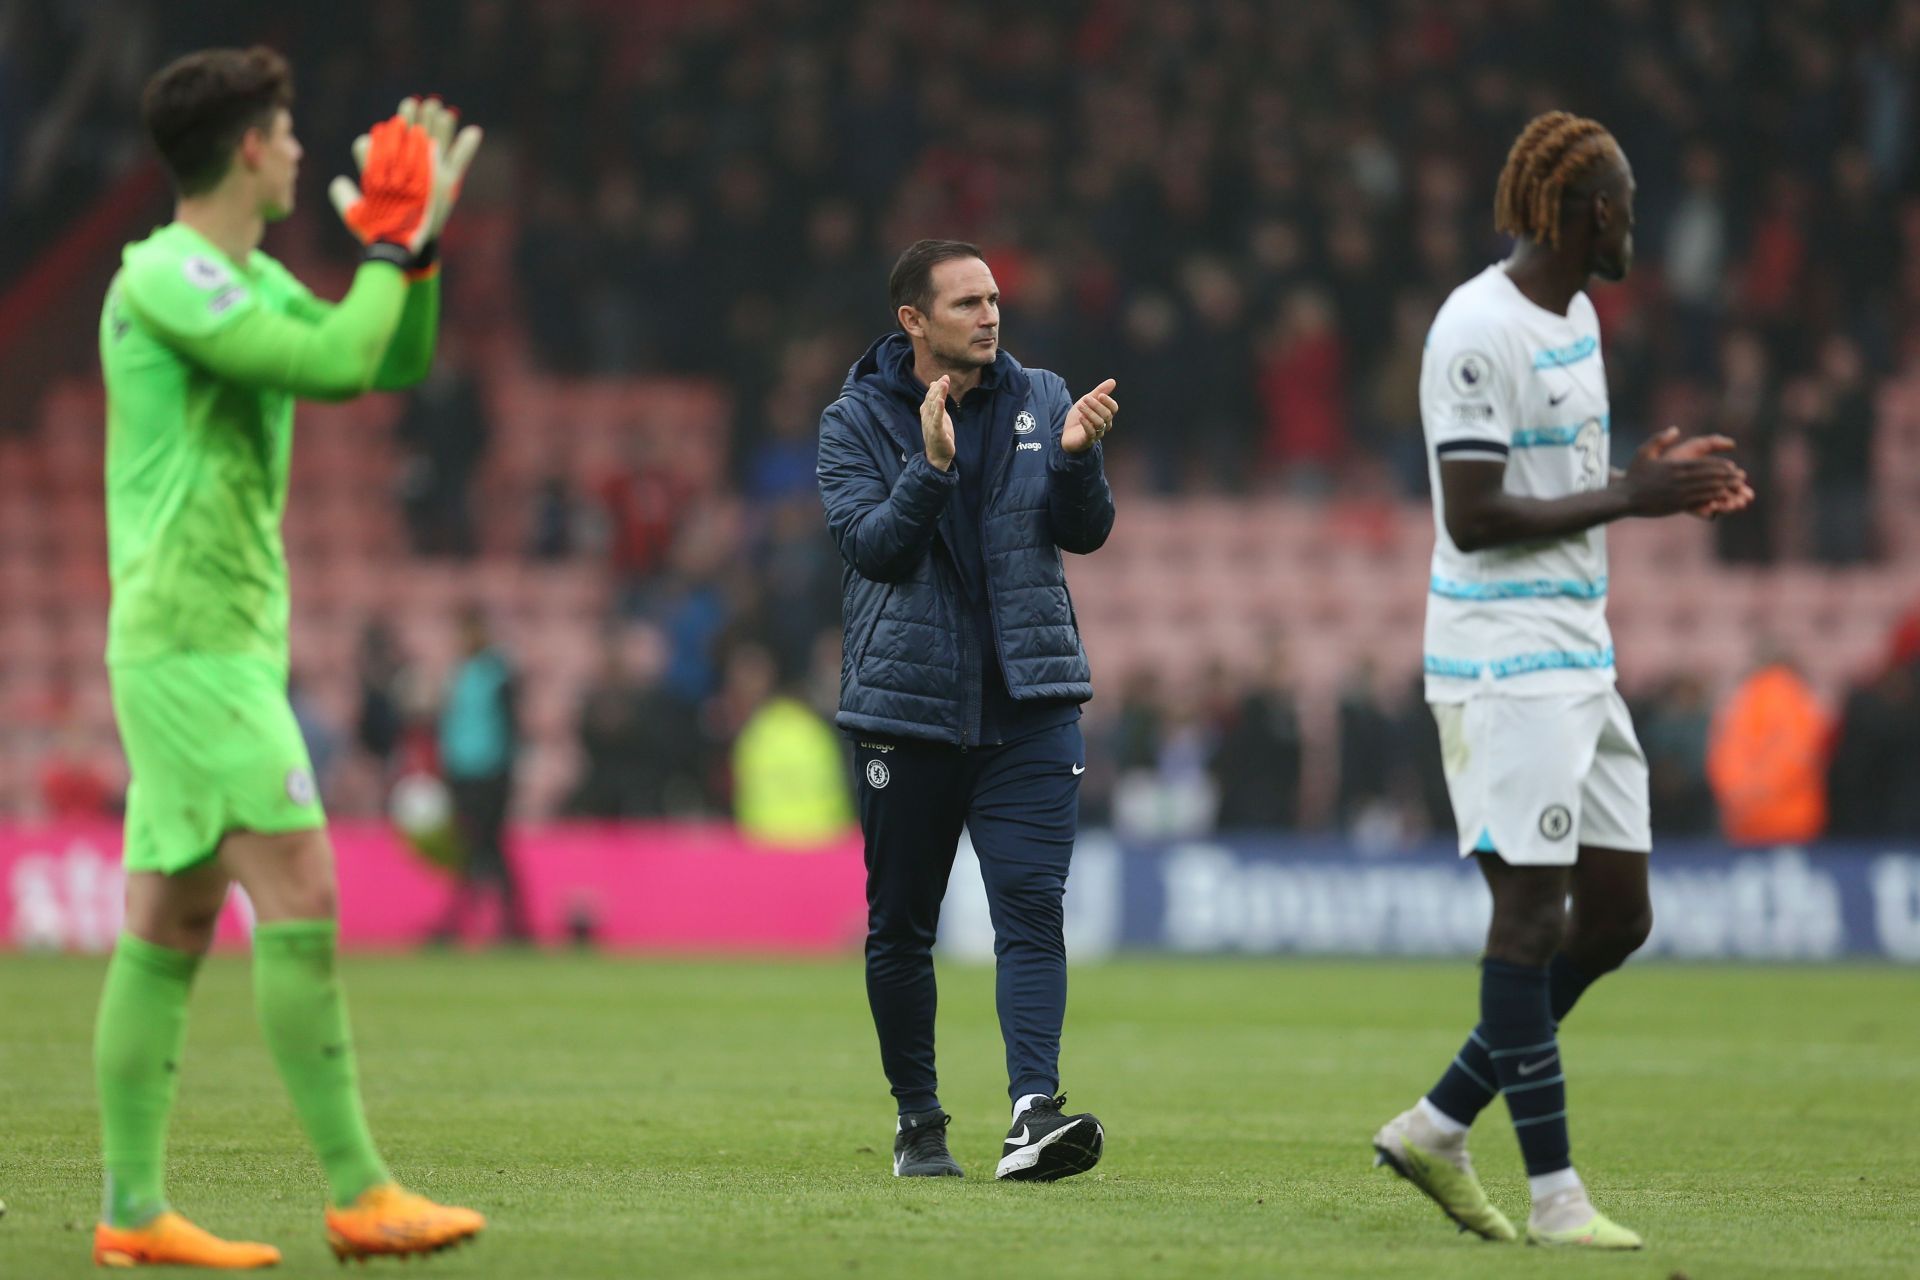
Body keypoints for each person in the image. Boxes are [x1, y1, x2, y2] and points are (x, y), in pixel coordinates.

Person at [93, 48, 485, 1268]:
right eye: (289, 130)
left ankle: (132, 1206)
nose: (308, 152)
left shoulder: (237, 273)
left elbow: (393, 359)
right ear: (250, 149)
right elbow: (330, 363)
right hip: (192, 643)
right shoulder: (166, 277)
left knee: (171, 917)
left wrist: (412, 256)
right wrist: (387, 246)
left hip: (206, 645)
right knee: (304, 892)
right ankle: (360, 1187)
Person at [1370, 112, 1752, 1251]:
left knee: (1620, 914)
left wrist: (1642, 480)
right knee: (1530, 915)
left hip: (1582, 650)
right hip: (1499, 658)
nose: (1636, 228)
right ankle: (1555, 1197)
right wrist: (1633, 501)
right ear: (1592, 212)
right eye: (1628, 207)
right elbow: (1476, 515)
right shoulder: (1475, 330)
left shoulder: (1578, 315)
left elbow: (1561, 477)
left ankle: (1438, 1120)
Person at [817, 239, 1118, 1182]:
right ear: (913, 321)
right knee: (902, 926)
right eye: (967, 304)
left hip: (1030, 704)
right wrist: (932, 468)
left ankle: (1034, 1114)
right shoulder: (855, 421)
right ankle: (919, 1121)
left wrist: (1076, 463)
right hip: (908, 713)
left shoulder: (1042, 397)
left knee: (1030, 912)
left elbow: (1086, 533)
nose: (991, 316)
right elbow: (873, 548)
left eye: (994, 299)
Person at [429, 605, 531, 944]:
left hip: (490, 773)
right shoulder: (461, 673)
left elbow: (511, 726)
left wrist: (509, 773)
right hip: (464, 772)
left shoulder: (497, 673)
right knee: (478, 848)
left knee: (486, 846)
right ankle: (502, 923)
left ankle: (503, 922)